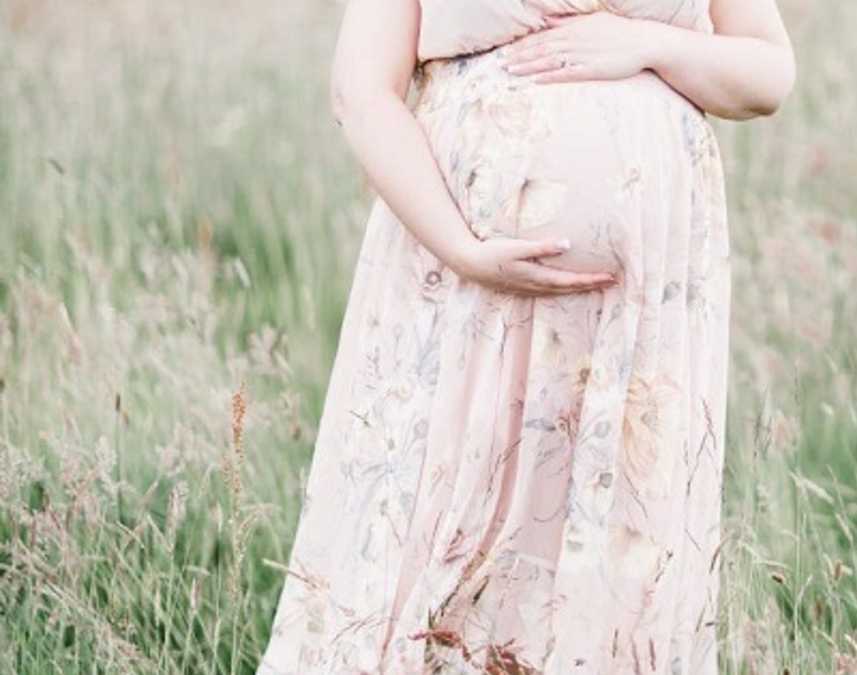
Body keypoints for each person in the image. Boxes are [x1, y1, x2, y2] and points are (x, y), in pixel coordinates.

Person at [255, 1, 794, 673]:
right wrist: (459, 246)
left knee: (613, 545)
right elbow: (360, 91)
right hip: (460, 282)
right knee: (445, 536)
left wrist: (648, 44)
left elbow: (769, 71)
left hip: (641, 311)